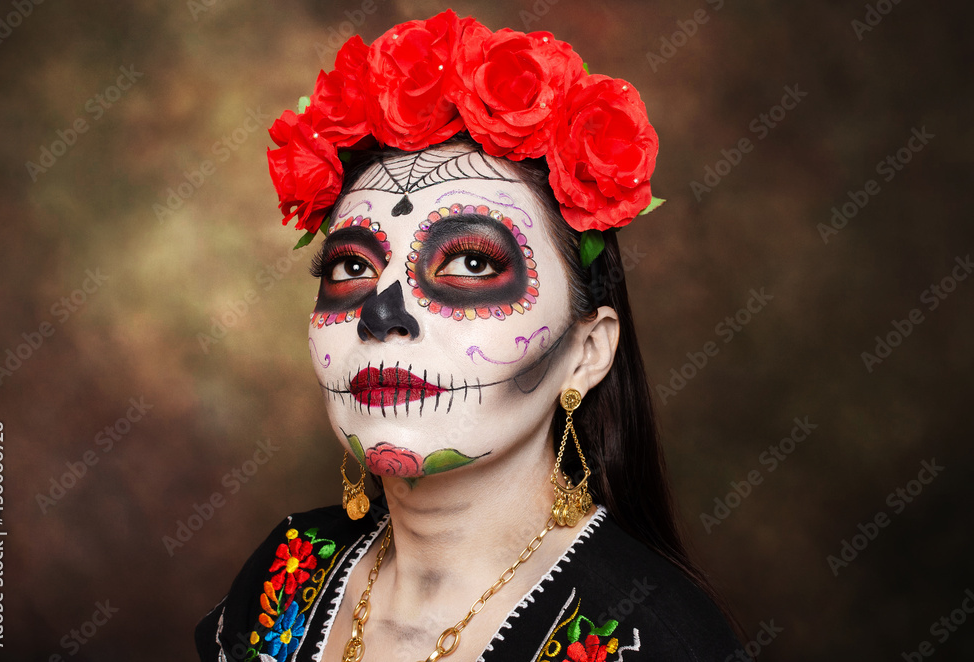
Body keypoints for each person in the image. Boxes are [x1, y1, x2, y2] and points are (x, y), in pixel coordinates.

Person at [196, 11, 744, 662]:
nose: (380, 313)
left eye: (473, 263)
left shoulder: (646, 637)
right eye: (352, 267)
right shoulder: (285, 577)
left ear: (586, 353)